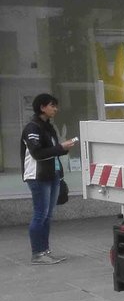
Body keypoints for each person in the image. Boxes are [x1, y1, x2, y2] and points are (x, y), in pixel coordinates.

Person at [21, 94, 76, 266]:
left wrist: (63, 148)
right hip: (38, 176)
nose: (55, 109)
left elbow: (52, 151)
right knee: (40, 215)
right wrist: (60, 147)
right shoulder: (32, 128)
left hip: (53, 174)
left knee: (47, 215)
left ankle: (45, 251)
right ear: (42, 107)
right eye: (52, 105)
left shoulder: (48, 127)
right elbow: (37, 153)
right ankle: (37, 254)